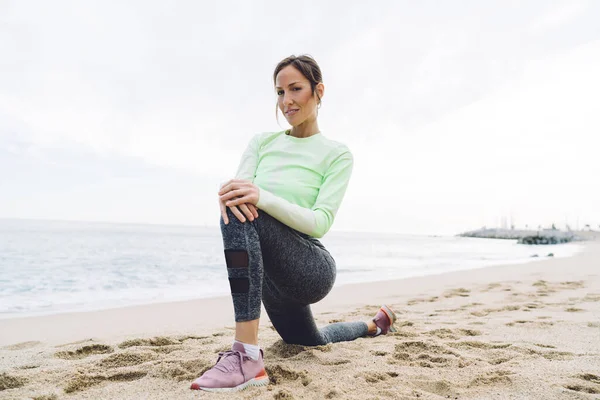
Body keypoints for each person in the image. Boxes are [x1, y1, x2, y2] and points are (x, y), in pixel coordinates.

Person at [190, 55, 397, 393]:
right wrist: (231, 195)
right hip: (270, 276)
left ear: (318, 91)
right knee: (309, 340)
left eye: (295, 89)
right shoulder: (262, 142)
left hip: (310, 267)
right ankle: (373, 326)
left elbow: (319, 222)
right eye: (279, 92)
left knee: (247, 205)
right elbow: (242, 195)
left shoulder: (336, 153)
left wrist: (261, 196)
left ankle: (245, 355)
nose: (286, 101)